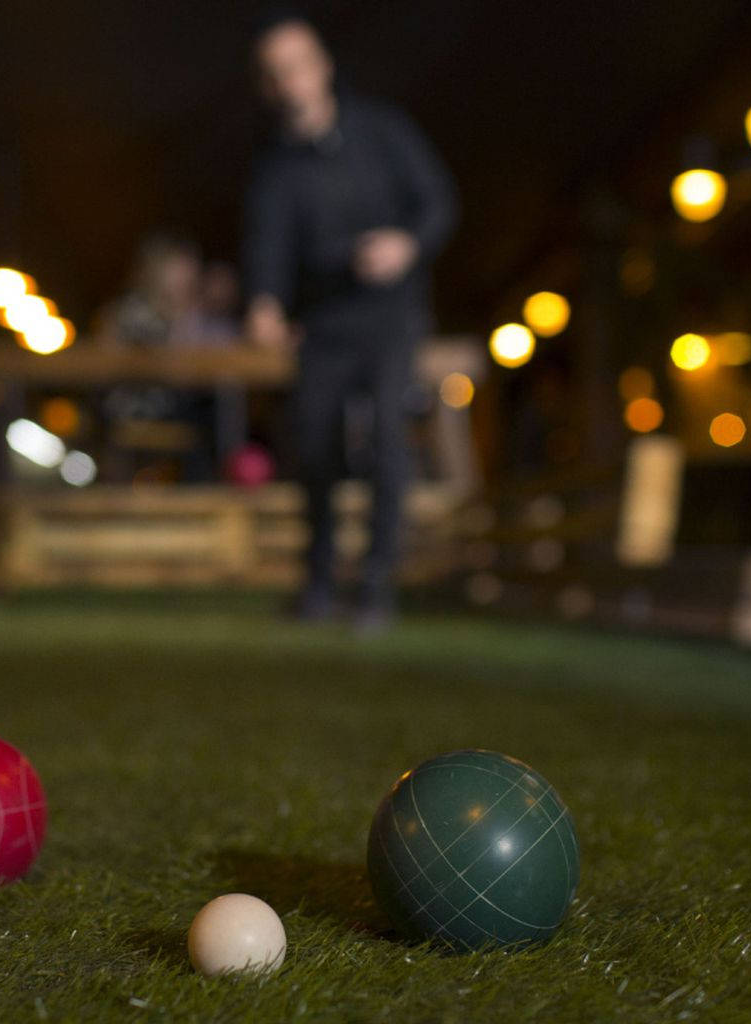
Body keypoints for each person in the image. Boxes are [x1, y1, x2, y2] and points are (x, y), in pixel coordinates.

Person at [243, 12, 457, 630]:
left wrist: (406, 244)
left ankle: (375, 586)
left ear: (322, 66)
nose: (291, 81)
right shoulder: (275, 167)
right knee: (313, 445)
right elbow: (268, 245)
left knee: (389, 441)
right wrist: (264, 301)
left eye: (298, 65)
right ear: (268, 86)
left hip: (390, 316)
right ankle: (318, 582)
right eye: (276, 73)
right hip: (324, 323)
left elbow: (438, 201)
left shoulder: (383, 131)